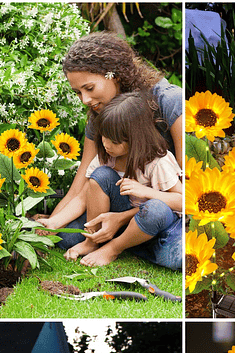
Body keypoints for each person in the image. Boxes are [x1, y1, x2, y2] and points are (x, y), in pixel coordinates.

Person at [36, 31, 183, 259]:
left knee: (175, 251)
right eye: (78, 92)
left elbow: (187, 191)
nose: (85, 100)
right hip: (121, 202)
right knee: (66, 237)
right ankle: (127, 240)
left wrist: (120, 219)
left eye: (89, 88)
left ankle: (126, 241)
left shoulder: (169, 100)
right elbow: (83, 183)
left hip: (164, 208)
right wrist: (50, 227)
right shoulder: (100, 113)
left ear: (113, 75)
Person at [67, 91, 182, 268]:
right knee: (65, 238)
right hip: (119, 221)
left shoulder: (158, 161)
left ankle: (114, 248)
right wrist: (51, 223)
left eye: (114, 141)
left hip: (156, 226)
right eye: (104, 136)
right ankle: (93, 242)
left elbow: (184, 201)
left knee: (157, 213)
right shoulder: (106, 157)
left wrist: (146, 192)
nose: (106, 144)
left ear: (136, 138)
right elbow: (85, 195)